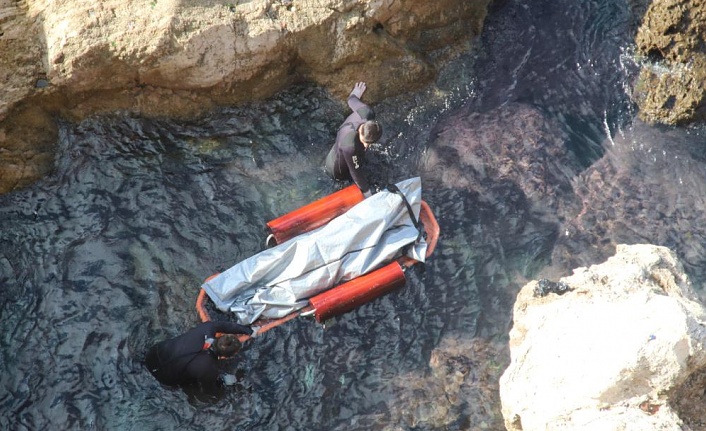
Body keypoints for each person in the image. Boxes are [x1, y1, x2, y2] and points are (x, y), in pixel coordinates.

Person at [145, 321, 252, 390]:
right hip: (164, 379)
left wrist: (246, 330)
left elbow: (222, 325)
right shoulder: (209, 368)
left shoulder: (206, 328)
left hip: (153, 354)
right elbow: (209, 389)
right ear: (226, 357)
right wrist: (226, 382)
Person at [324, 81, 383, 197]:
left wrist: (355, 94)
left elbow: (351, 101)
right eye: (365, 142)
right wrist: (368, 194)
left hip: (341, 151)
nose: (366, 146)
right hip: (337, 170)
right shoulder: (350, 146)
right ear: (360, 131)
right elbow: (356, 173)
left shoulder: (367, 112)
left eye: (369, 143)